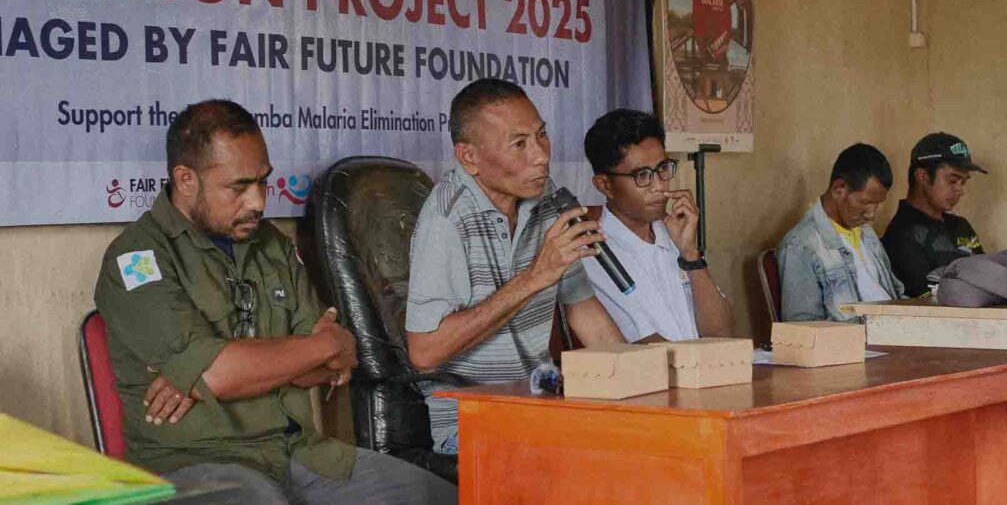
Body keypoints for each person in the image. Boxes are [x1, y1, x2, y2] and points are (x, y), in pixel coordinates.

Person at [94, 100, 456, 504]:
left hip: (300, 455)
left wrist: (228, 366)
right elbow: (222, 374)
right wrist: (319, 345)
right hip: (196, 465)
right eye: (239, 186)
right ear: (185, 180)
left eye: (263, 182)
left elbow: (330, 367)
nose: (258, 202)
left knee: (442, 495)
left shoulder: (273, 246)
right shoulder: (138, 258)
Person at [406, 79, 625, 455]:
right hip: (472, 417)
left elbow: (585, 312)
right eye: (519, 144)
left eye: (542, 136)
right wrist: (535, 278)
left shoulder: (546, 197)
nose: (540, 156)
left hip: (543, 397)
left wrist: (641, 384)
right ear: (469, 157)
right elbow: (424, 351)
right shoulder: (446, 219)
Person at [581, 109, 734, 342]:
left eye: (663, 169)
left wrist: (690, 254)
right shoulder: (593, 249)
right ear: (605, 185)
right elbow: (645, 347)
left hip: (701, 370)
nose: (659, 187)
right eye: (642, 176)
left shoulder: (673, 231)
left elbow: (722, 334)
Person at [777, 143, 905, 322]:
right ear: (839, 189)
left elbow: (895, 293)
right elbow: (803, 327)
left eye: (877, 204)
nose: (871, 214)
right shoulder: (801, 245)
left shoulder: (866, 234)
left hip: (893, 333)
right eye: (865, 202)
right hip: (855, 345)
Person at [883, 132, 988, 297]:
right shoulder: (902, 235)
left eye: (964, 182)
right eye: (953, 181)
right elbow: (928, 299)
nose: (960, 190)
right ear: (923, 176)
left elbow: (990, 280)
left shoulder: (961, 226)